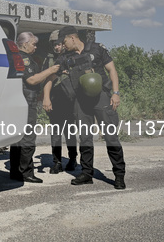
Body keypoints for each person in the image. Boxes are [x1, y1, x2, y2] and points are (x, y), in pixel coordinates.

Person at [45, 26, 126, 190]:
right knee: (85, 138)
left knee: (110, 137)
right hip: (80, 101)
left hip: (101, 97)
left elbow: (112, 70)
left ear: (72, 38)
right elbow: (50, 77)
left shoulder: (97, 49)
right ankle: (87, 173)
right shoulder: (65, 58)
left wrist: (115, 93)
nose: (63, 45)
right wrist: (46, 97)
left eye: (64, 41)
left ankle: (119, 175)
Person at [10, 32, 60, 183]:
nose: (36, 47)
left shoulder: (18, 56)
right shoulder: (23, 58)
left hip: (19, 101)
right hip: (27, 101)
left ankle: (16, 171)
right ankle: (26, 172)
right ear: (24, 44)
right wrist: (50, 71)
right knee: (28, 138)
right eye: (33, 44)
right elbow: (31, 80)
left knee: (17, 138)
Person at [41, 30, 78, 174]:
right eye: (54, 45)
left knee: (70, 132)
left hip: (70, 100)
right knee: (56, 132)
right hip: (55, 100)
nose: (57, 47)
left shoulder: (73, 57)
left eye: (59, 44)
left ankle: (73, 159)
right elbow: (44, 80)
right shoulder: (49, 60)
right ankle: (57, 162)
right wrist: (46, 98)